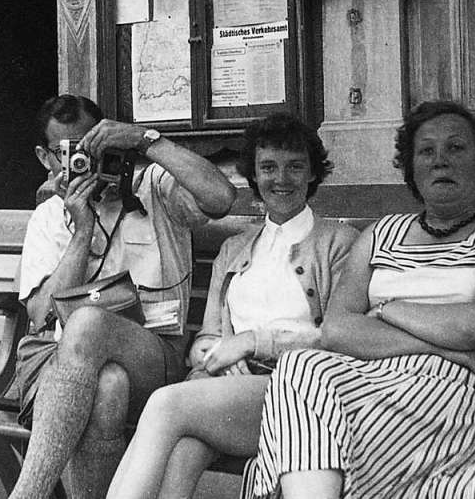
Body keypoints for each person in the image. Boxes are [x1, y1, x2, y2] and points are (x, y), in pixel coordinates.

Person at [244, 100, 475, 499]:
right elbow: (336, 330)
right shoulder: (382, 233)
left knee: (307, 442)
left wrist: (389, 309)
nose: (440, 161)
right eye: (426, 151)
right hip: (372, 380)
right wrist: (439, 343)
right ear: (412, 168)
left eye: (456, 149)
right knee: (302, 364)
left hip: (463, 385)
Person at [106, 113, 360, 499]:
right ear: (254, 176)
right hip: (226, 389)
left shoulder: (339, 243)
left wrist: (251, 342)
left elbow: (341, 338)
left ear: (312, 174)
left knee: (165, 404)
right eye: (268, 168)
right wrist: (215, 355)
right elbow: (207, 338)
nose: (281, 179)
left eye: (295, 167)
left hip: (297, 395)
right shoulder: (235, 248)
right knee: (183, 451)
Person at [8, 94, 237, 499]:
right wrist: (80, 231)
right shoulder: (47, 217)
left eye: (93, 147)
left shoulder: (153, 188)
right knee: (108, 384)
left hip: (154, 357)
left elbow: (221, 198)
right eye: (70, 154)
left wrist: (146, 141)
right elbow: (42, 313)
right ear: (46, 158)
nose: (86, 163)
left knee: (90, 320)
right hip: (57, 364)